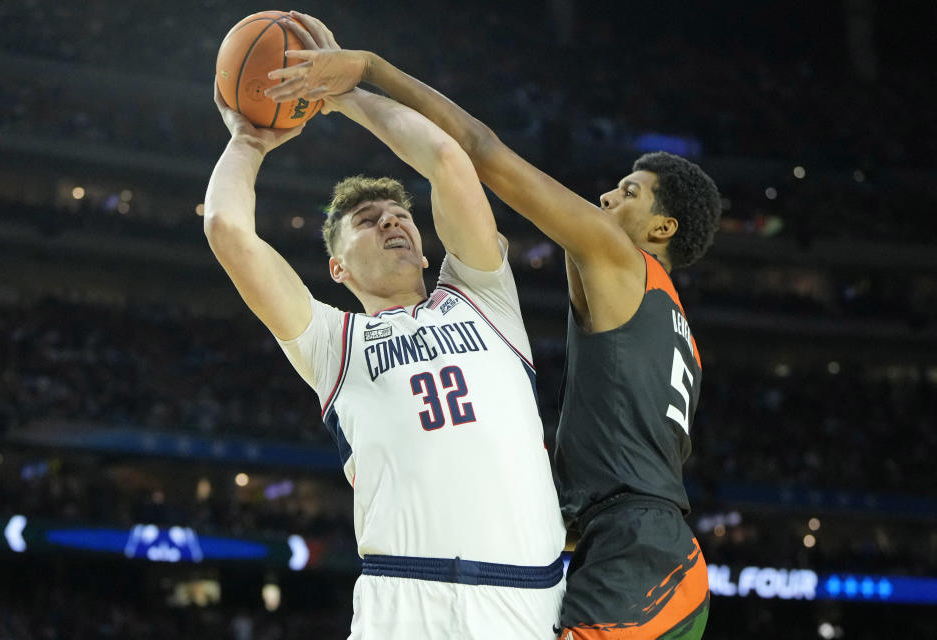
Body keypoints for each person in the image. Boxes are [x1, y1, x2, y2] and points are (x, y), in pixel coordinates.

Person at [267, 12, 721, 639]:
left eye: (629, 192)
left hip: (639, 555)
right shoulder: (673, 324)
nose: (607, 199)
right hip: (636, 548)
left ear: (662, 229)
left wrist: (362, 75)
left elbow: (478, 151)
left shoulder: (621, 261)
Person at [203, 32, 566, 639]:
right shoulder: (331, 343)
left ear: (426, 250)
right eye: (367, 222)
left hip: (527, 604)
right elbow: (226, 228)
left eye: (400, 216)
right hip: (403, 602)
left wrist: (343, 93)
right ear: (337, 269)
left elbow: (448, 158)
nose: (392, 221)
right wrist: (247, 140)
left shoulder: (485, 298)